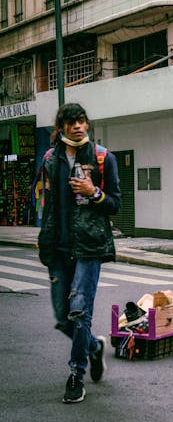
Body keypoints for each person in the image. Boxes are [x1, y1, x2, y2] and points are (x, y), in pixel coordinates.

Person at [38, 103, 121, 404]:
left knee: (79, 310)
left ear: (87, 124)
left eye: (81, 121)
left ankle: (76, 374)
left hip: (88, 247)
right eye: (71, 122)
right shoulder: (50, 159)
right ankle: (94, 349)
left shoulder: (102, 158)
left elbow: (115, 203)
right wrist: (44, 239)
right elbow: (48, 207)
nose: (77, 126)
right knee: (63, 317)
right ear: (60, 127)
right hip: (58, 248)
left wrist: (93, 192)